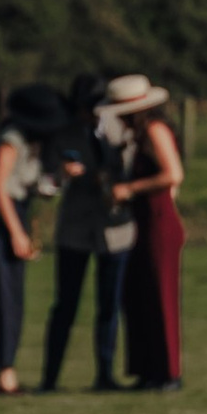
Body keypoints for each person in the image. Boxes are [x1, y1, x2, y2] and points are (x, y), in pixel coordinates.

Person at [38, 79, 128, 396]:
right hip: (75, 230)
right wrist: (62, 176)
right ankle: (50, 377)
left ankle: (105, 374)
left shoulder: (120, 131)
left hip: (113, 230)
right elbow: (45, 184)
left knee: (109, 305)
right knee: (65, 305)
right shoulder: (63, 135)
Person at [0, 82, 59, 396]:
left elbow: (30, 184)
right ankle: (5, 370)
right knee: (5, 297)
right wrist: (16, 233)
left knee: (4, 296)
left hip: (18, 211)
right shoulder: (11, 138)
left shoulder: (35, 143)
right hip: (0, 216)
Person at [109, 76, 186, 391]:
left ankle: (169, 371)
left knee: (161, 294)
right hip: (141, 220)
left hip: (159, 220)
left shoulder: (155, 131)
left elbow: (173, 174)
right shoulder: (138, 138)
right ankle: (147, 369)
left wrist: (129, 188)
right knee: (138, 295)